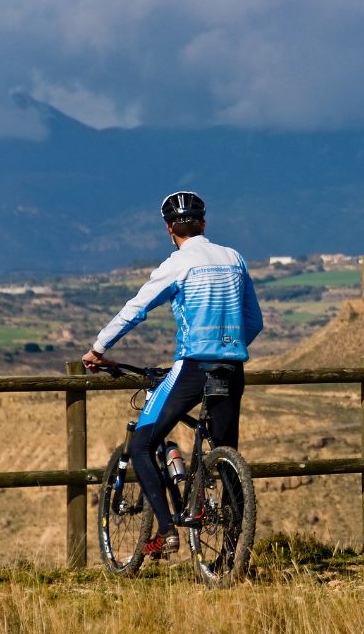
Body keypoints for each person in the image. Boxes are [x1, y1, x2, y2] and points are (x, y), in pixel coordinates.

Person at [82, 191, 263, 556]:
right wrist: (227, 347)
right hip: (232, 366)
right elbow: (254, 321)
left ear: (169, 229)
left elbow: (137, 308)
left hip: (193, 367)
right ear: (204, 224)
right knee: (226, 455)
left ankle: (166, 532)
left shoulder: (178, 263)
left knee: (142, 444)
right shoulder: (234, 258)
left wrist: (99, 349)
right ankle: (231, 555)